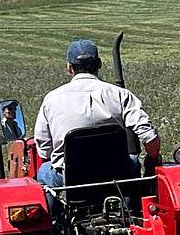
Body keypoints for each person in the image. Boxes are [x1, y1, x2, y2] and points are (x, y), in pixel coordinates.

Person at [34, 39, 160, 188]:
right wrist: (152, 160)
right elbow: (150, 137)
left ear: (69, 68)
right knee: (133, 160)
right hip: (117, 175)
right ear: (99, 64)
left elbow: (44, 151)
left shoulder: (52, 99)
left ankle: (55, 211)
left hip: (70, 179)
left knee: (43, 171)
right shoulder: (120, 95)